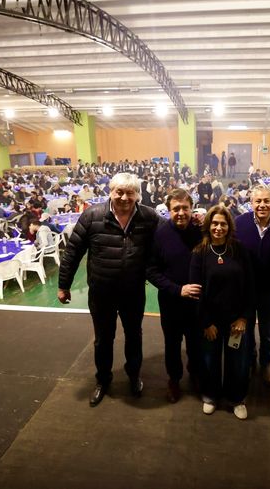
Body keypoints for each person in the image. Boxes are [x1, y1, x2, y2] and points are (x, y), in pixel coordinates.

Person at [58, 173, 160, 407]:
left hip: (133, 292)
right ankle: (103, 380)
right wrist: (64, 285)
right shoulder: (92, 216)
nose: (124, 197)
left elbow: (170, 235)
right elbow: (73, 252)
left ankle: (134, 376)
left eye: (130, 192)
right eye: (119, 192)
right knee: (103, 339)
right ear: (111, 192)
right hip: (101, 292)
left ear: (137, 195)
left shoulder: (148, 217)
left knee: (134, 337)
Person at [189, 205, 254, 419]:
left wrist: (244, 317)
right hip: (211, 320)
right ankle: (210, 395)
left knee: (239, 361)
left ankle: (237, 399)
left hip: (237, 320)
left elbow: (249, 287)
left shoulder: (239, 250)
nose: (218, 228)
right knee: (209, 359)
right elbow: (196, 291)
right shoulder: (200, 253)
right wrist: (206, 322)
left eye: (223, 224)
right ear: (208, 225)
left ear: (229, 226)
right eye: (215, 223)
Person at [146, 189, 203, 403]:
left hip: (197, 303)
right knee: (172, 344)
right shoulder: (160, 235)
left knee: (196, 343)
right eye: (176, 209)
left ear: (192, 209)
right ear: (169, 210)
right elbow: (151, 270)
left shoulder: (201, 230)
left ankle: (195, 375)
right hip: (171, 302)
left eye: (185, 208)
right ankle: (174, 379)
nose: (181, 213)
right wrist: (177, 289)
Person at [234, 184, 270, 386]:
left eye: (267, 201)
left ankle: (265, 363)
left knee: (267, 332)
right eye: (258, 201)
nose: (262, 205)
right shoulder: (239, 223)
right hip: (245, 291)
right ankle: (249, 361)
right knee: (245, 331)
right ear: (251, 203)